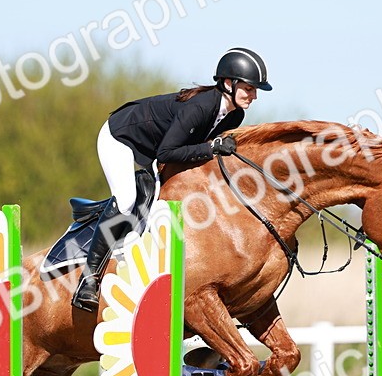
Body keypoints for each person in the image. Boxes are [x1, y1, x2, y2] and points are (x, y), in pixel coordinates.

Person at [71, 47, 272, 312]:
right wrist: (211, 148)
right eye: (249, 88)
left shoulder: (235, 114)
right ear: (228, 83)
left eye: (255, 90)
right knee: (128, 199)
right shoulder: (200, 107)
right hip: (120, 138)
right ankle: (89, 278)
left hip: (155, 147)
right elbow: (167, 153)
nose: (253, 96)